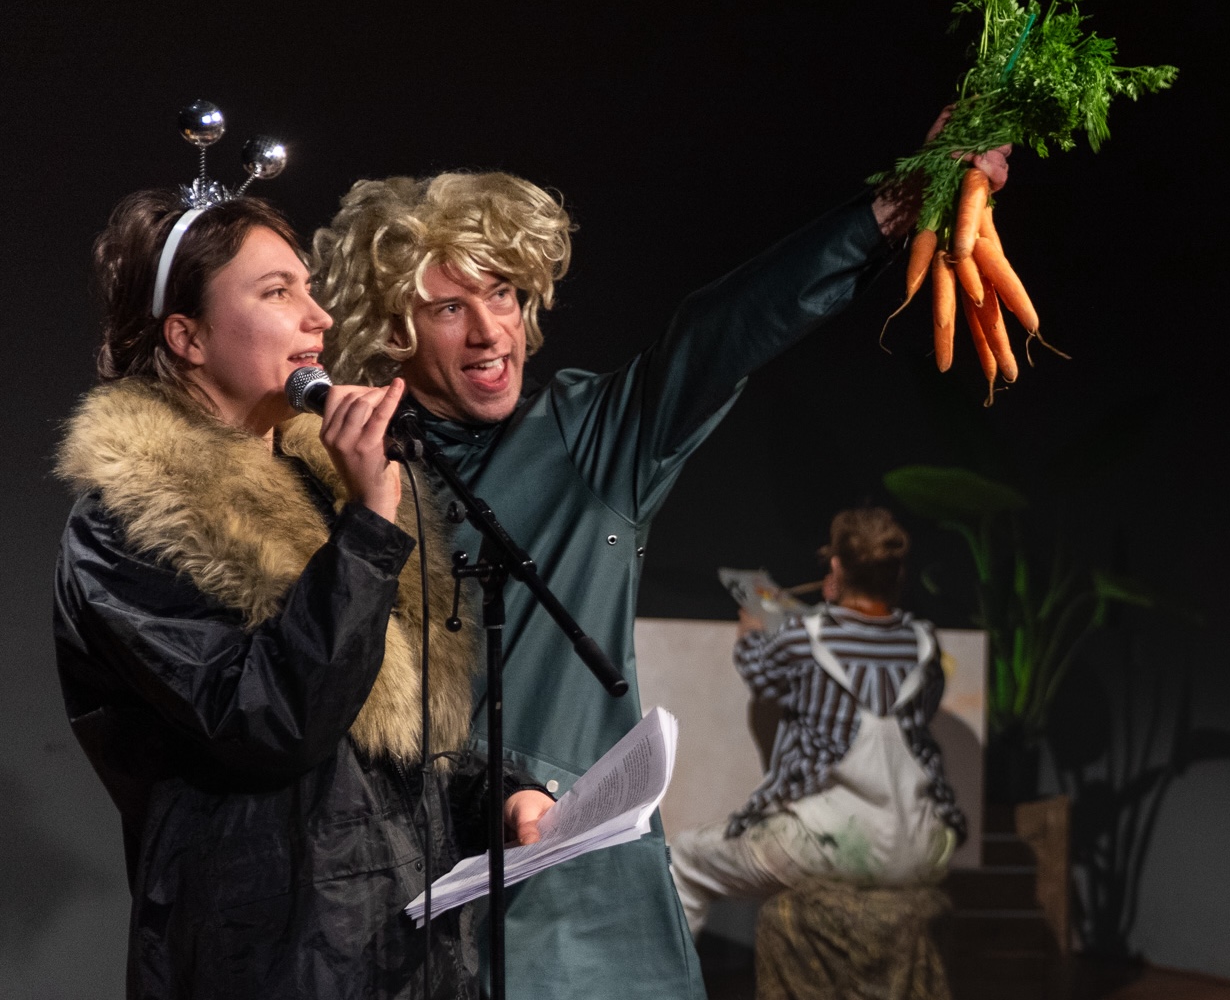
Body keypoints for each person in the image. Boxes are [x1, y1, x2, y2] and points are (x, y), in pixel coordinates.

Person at [311, 116, 1006, 998]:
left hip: (576, 898)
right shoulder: (347, 475)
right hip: (410, 897)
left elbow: (718, 334)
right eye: (451, 307)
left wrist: (890, 210)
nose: (491, 331)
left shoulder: (585, 439)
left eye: (505, 294)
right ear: (393, 329)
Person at [52, 187, 555, 1000]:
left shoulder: (319, 486)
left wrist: (499, 798)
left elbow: (376, 757)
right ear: (187, 336)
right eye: (278, 292)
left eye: (310, 289)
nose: (318, 317)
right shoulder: (125, 524)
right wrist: (369, 526)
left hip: (406, 961)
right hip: (270, 968)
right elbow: (275, 721)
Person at [667, 507, 965, 932]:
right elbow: (925, 706)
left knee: (684, 857)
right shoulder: (924, 643)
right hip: (920, 845)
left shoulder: (805, 638)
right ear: (898, 573)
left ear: (837, 567)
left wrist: (751, 631)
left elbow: (759, 672)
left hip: (824, 844)